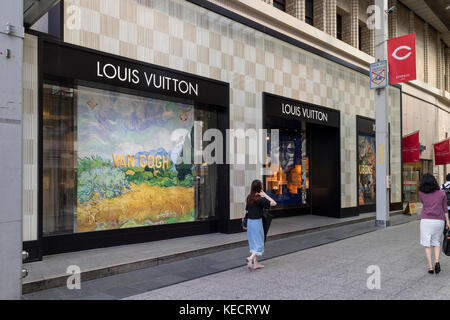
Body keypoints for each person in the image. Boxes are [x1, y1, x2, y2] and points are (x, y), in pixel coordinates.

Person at [419, 174, 450, 274]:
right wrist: (448, 221)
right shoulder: (442, 193)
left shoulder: (421, 193)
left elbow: (424, 204)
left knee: (427, 244)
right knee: (436, 242)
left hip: (426, 220)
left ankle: (430, 267)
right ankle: (437, 262)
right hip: (439, 220)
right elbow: (445, 208)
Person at [243, 179, 277, 271]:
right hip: (257, 222)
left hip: (250, 222)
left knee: (254, 242)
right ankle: (250, 258)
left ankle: (256, 263)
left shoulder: (249, 197)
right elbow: (274, 203)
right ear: (260, 188)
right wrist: (265, 195)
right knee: (260, 243)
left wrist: (244, 222)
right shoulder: (260, 199)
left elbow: (246, 211)